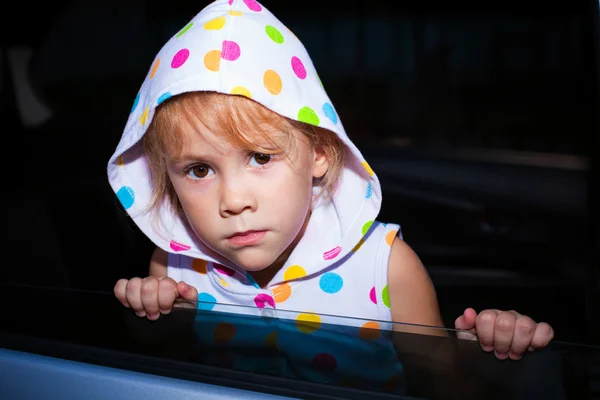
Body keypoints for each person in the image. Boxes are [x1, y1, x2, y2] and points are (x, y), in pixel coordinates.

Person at [109, 0, 553, 376]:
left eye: (261, 157)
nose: (234, 201)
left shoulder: (386, 266)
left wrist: (493, 352)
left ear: (319, 153)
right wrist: (152, 316)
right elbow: (160, 366)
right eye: (200, 170)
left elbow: (442, 382)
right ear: (166, 175)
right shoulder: (174, 268)